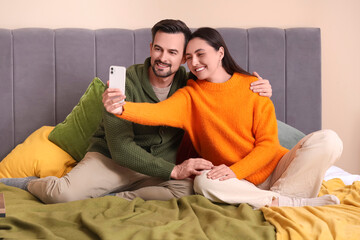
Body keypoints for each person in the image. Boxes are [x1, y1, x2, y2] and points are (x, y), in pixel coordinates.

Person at [1, 20, 272, 203]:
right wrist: (174, 169)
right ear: (150, 48)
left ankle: (116, 198)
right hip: (113, 161)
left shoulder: (191, 85)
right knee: (62, 196)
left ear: (183, 59)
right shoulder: (125, 83)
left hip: (162, 170)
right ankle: (27, 184)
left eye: (173, 52)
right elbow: (120, 148)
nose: (163, 58)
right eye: (158, 48)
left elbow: (224, 94)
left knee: (193, 190)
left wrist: (257, 86)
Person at [103, 27, 343, 209]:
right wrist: (120, 108)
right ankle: (290, 202)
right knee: (204, 183)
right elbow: (155, 113)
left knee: (329, 139)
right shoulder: (190, 96)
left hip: (275, 170)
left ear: (220, 53)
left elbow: (269, 145)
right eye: (188, 58)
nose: (194, 63)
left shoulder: (253, 87)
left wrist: (237, 171)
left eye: (200, 54)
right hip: (234, 183)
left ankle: (279, 200)